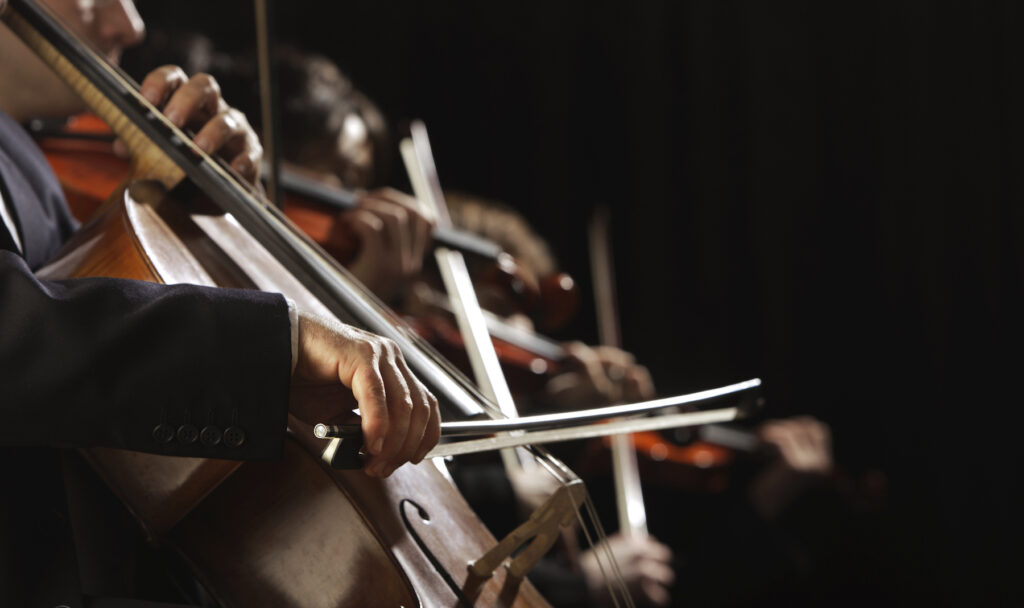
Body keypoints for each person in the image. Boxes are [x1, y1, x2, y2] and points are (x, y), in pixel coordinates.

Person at [0, 0, 439, 605]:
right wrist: (281, 348)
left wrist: (186, 217)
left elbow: (84, 340)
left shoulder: (20, 155)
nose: (129, 25)